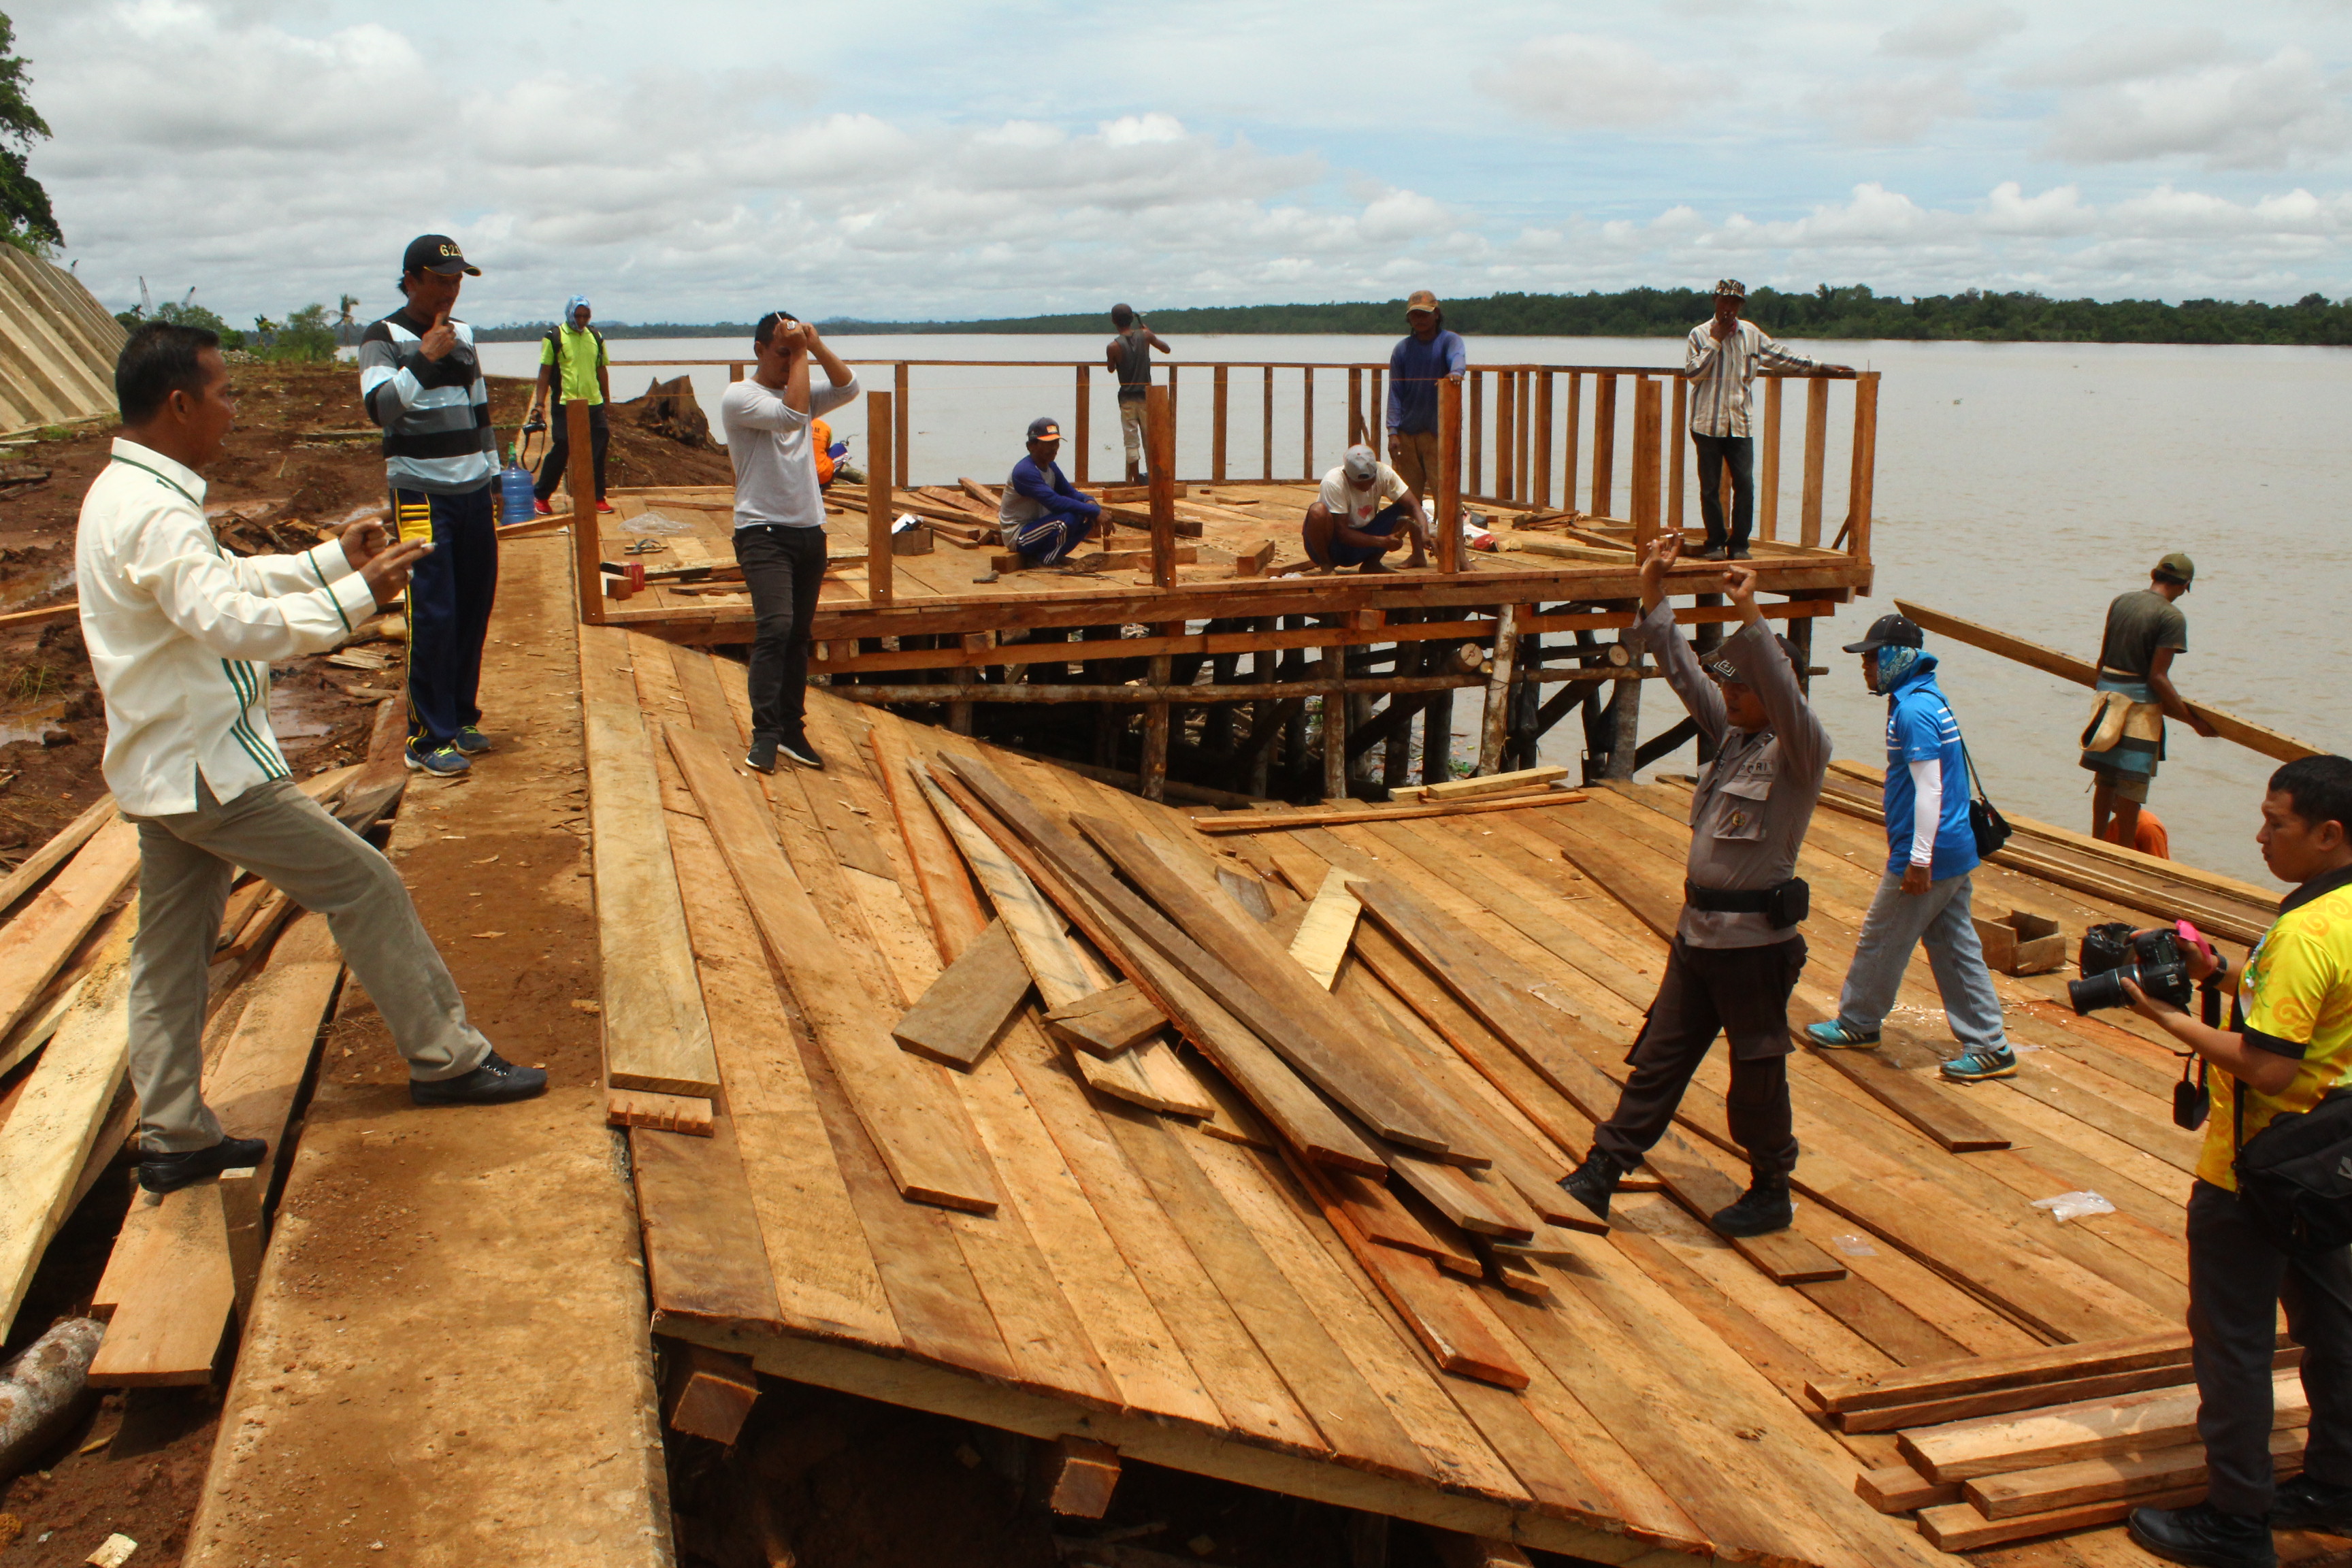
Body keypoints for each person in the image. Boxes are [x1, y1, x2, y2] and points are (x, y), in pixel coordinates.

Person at [82, 323, 546, 1194]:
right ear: (179, 403)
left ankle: (175, 1133)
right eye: (223, 392)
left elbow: (230, 584)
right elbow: (228, 622)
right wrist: (355, 600)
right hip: (209, 769)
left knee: (169, 953)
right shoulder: (150, 511)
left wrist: (333, 561)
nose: (232, 407)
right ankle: (446, 1059)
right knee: (364, 884)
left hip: (167, 769)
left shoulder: (130, 493)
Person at [1558, 534, 1829, 1236]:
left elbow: (1769, 680)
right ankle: (1601, 1172)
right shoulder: (1736, 736)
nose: (1730, 696)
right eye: (1731, 688)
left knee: (1757, 1075)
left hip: (1755, 947)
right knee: (1659, 1058)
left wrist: (1751, 612)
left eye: (1743, 687)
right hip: (1697, 936)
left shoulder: (1802, 749)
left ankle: (1771, 1187)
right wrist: (1654, 592)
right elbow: (1683, 673)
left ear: (1777, 692)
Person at [2119, 754, 2352, 1568]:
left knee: (2235, 1344)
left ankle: (2236, 1520)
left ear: (2330, 834)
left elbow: (2266, 1066)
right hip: (2336, 1162)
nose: (2259, 836)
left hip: (2255, 1170)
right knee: (2334, 1328)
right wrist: (2225, 974)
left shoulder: (2307, 931)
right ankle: (2336, 1484)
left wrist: (2167, 1014)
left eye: (2276, 822)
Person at [1802, 614, 2017, 1081]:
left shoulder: (1913, 712)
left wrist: (1918, 860)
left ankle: (1858, 1022)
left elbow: (1930, 790)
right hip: (1954, 847)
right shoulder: (1927, 699)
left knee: (1881, 937)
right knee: (1954, 946)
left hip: (1930, 854)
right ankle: (1990, 1045)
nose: (1867, 668)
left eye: (1873, 658)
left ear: (1898, 658)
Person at [357, 234, 502, 778]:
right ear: (412, 280)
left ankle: (461, 716)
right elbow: (381, 409)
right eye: (440, 280)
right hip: (420, 491)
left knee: (473, 603)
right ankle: (426, 737)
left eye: (457, 280)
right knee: (434, 610)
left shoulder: (463, 334)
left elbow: (478, 406)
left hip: (470, 488)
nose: (450, 291)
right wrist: (423, 359)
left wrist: (492, 476)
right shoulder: (383, 337)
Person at [719, 309, 858, 774]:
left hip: (808, 530)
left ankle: (792, 730)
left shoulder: (798, 385)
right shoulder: (740, 396)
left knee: (799, 635)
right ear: (759, 350)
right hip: (762, 531)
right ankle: (765, 734)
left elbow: (848, 386)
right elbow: (791, 414)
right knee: (775, 627)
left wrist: (813, 346)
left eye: (792, 355)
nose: (788, 362)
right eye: (782, 353)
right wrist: (799, 352)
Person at [1684, 280, 1852, 561]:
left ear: (1741, 306)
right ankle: (1715, 543)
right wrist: (1715, 340)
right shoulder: (1699, 335)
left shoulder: (1751, 334)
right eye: (1724, 301)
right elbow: (1693, 374)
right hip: (1706, 422)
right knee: (1710, 486)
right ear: (1715, 300)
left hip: (1740, 423)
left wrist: (1822, 367)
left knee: (1746, 485)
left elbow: (1782, 357)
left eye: (1735, 303)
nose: (1729, 308)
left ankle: (1739, 545)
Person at [2082, 552, 2218, 850]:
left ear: (2154, 575)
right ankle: (2124, 855)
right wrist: (2192, 720)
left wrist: (2104, 696)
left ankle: (2096, 845)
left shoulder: (2122, 602)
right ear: (2185, 586)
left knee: (2105, 778)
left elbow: (2102, 659)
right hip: (2138, 708)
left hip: (2107, 699)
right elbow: (2158, 677)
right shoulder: (2171, 617)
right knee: (2132, 784)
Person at [527, 295, 610, 517]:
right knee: (563, 445)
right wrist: (539, 404)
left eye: (586, 316)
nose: (581, 320)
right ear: (569, 314)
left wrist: (607, 401)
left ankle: (597, 497)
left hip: (593, 402)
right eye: (578, 315)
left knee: (599, 448)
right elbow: (544, 372)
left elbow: (602, 369)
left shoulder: (596, 337)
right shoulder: (555, 337)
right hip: (566, 402)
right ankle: (542, 495)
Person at [1386, 290, 1466, 500]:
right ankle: (1411, 533)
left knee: (1445, 492)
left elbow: (1457, 357)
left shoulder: (1449, 340)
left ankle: (1448, 533)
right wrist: (1392, 431)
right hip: (1407, 433)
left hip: (1437, 433)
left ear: (1436, 314)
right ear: (1409, 319)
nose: (1419, 319)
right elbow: (1395, 391)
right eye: (1415, 315)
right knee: (1406, 497)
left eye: (1424, 314)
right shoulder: (1402, 350)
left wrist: (1456, 373)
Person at [1305, 443, 1427, 572]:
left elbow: (1414, 505)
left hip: (1363, 541)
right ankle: (1326, 564)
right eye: (1360, 484)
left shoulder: (1384, 473)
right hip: (1334, 546)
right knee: (1317, 512)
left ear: (1376, 472)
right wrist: (1382, 541)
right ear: (1346, 475)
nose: (1366, 486)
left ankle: (1372, 563)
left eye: (1370, 481)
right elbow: (1342, 533)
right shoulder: (1333, 482)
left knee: (1405, 507)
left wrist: (1424, 533)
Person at [1000, 416, 1100, 566]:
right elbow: (1055, 503)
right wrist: (1096, 511)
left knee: (1086, 517)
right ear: (1031, 446)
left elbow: (1070, 493)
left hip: (1040, 526)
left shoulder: (1051, 466)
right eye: (1048, 443)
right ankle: (1046, 560)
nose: (1054, 448)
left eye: (1056, 443)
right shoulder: (1025, 471)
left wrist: (1090, 502)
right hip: (1019, 534)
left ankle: (1051, 555)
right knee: (1065, 520)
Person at [1105, 305, 1170, 483]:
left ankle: (1134, 478)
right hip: (1147, 397)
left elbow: (1111, 369)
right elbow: (1166, 349)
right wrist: (1150, 334)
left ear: (1114, 321)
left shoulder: (1113, 346)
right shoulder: (1146, 336)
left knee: (1131, 441)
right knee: (1151, 439)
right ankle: (1156, 478)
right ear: (1132, 319)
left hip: (1127, 399)